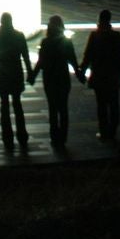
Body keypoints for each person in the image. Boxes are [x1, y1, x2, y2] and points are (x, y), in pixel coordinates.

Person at [80, 9, 120, 141]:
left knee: (101, 104)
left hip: (99, 75)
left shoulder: (94, 36)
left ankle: (103, 131)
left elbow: (88, 55)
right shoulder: (116, 36)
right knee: (114, 103)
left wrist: (82, 71)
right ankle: (113, 131)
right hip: (113, 75)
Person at [0, 12, 32, 151]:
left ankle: (7, 137)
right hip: (16, 74)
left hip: (2, 75)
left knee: (4, 106)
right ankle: (22, 135)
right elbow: (26, 56)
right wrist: (30, 72)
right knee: (17, 104)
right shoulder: (19, 36)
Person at [29, 15, 79, 147]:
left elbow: (40, 62)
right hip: (62, 77)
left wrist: (33, 76)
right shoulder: (66, 42)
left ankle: (54, 135)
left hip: (49, 78)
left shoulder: (45, 42)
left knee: (52, 108)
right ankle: (63, 136)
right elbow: (73, 60)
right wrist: (79, 73)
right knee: (63, 108)